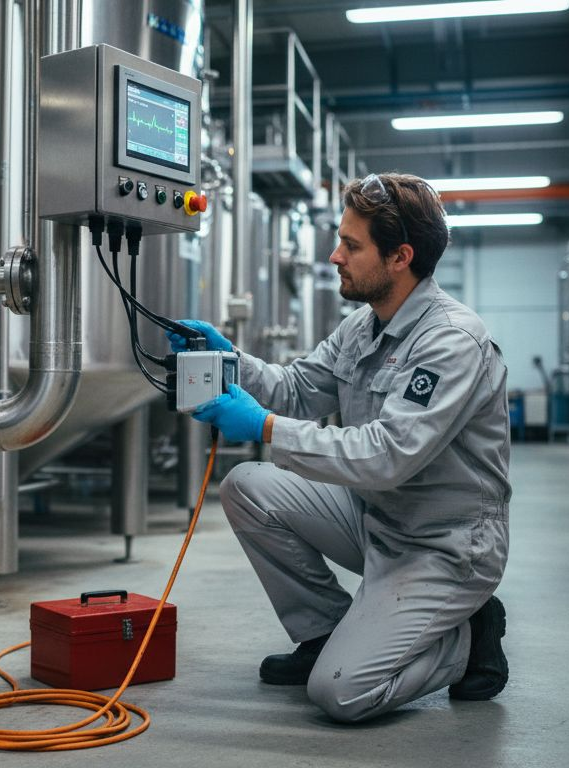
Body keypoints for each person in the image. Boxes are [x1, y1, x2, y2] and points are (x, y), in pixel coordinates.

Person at [167, 173, 510, 723]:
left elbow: (385, 455)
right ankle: (323, 634)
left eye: (351, 246)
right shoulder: (364, 326)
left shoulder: (452, 341)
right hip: (377, 518)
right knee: (248, 487)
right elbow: (298, 388)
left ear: (400, 257)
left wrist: (267, 428)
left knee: (342, 694)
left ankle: (466, 639)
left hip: (443, 545)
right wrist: (230, 358)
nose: (333, 256)